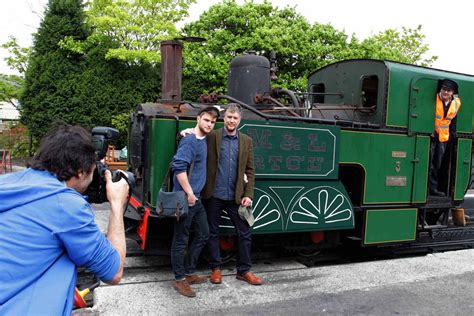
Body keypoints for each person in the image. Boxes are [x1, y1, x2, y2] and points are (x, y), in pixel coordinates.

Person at [0, 123, 129, 315]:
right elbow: (114, 272)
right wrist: (117, 204)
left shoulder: (9, 183)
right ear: (79, 171)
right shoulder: (66, 206)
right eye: (93, 172)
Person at [203, 103, 262, 286]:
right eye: (229, 117)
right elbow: (197, 135)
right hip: (214, 194)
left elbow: (250, 170)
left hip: (236, 197)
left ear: (239, 120)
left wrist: (249, 194)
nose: (231, 120)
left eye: (235, 118)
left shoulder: (246, 141)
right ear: (224, 118)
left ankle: (243, 271)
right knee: (212, 232)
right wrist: (185, 132)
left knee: (244, 232)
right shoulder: (212, 136)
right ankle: (216, 269)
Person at [170, 106, 219, 297]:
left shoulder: (202, 140)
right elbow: (179, 168)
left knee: (203, 234)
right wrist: (189, 193)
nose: (209, 124)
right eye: (206, 120)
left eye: (212, 122)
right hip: (185, 198)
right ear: (198, 119)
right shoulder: (190, 141)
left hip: (195, 199)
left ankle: (189, 272)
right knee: (180, 240)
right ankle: (179, 279)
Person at [429, 78, 461, 197]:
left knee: (437, 164)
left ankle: (433, 188)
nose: (446, 92)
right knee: (429, 163)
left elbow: (452, 121)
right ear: (440, 89)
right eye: (444, 89)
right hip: (431, 134)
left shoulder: (456, 103)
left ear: (452, 92)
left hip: (443, 137)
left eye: (448, 90)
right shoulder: (433, 99)